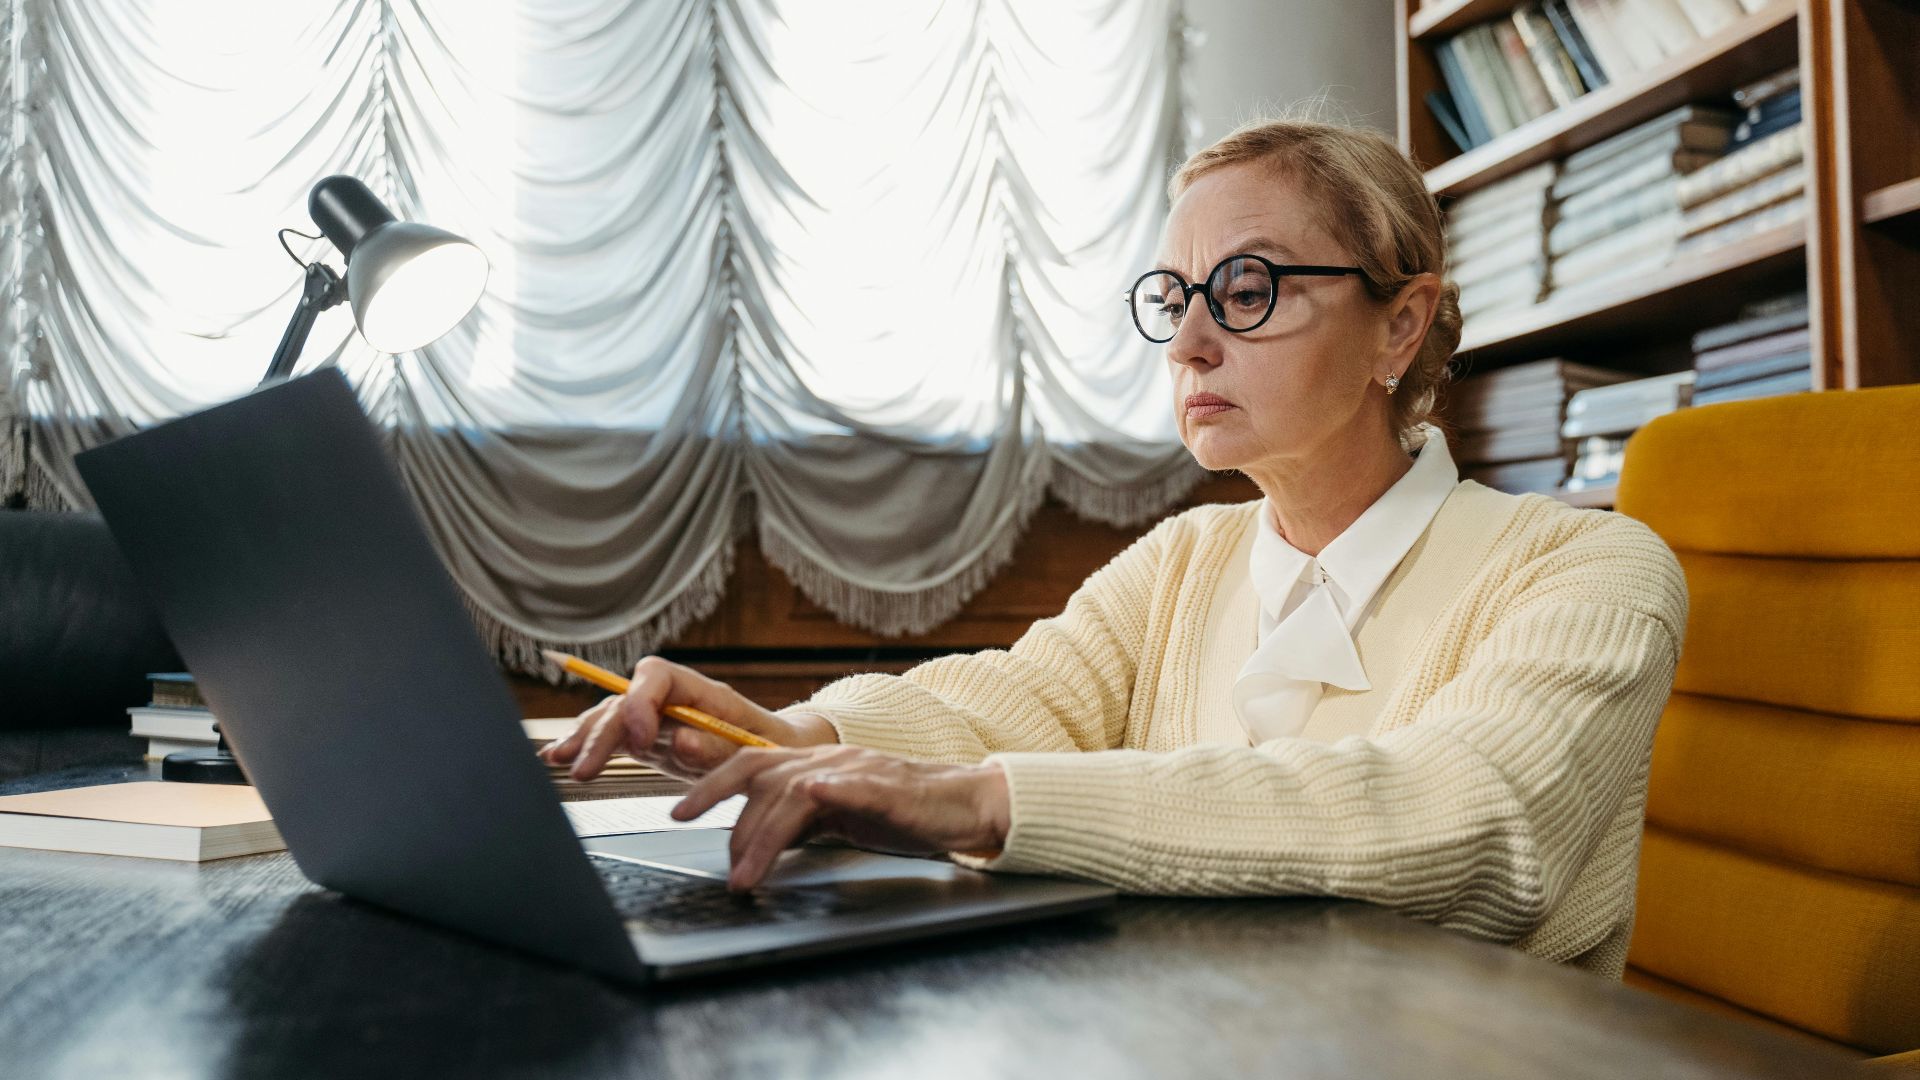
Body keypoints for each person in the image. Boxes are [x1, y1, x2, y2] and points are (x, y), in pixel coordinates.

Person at [542, 117, 1688, 979]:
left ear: (1400, 322)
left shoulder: (1592, 568)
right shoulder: (1185, 559)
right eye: (1175, 295)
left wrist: (978, 803)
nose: (1188, 343)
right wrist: (791, 737)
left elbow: (1472, 823)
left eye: (1246, 289)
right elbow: (1008, 700)